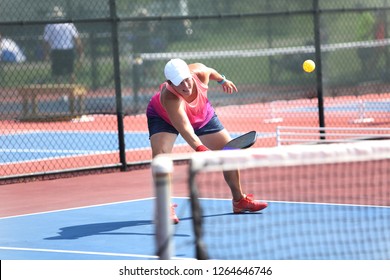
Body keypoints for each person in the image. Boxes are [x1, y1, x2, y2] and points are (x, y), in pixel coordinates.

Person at [147, 58, 268, 224]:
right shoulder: (169, 97)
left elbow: (211, 72)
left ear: (190, 74)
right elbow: (185, 128)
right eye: (179, 83)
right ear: (169, 83)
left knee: (230, 152)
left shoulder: (199, 72)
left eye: (187, 79)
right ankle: (164, 206)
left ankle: (239, 201)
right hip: (164, 118)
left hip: (202, 115)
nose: (186, 86)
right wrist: (201, 149)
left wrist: (223, 80)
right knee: (161, 157)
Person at [43, 6, 83, 84]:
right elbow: (77, 39)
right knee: (71, 72)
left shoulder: (49, 25)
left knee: (58, 74)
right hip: (68, 50)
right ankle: (71, 90)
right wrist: (80, 53)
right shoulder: (68, 24)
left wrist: (46, 53)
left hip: (56, 51)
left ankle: (61, 91)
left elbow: (46, 42)